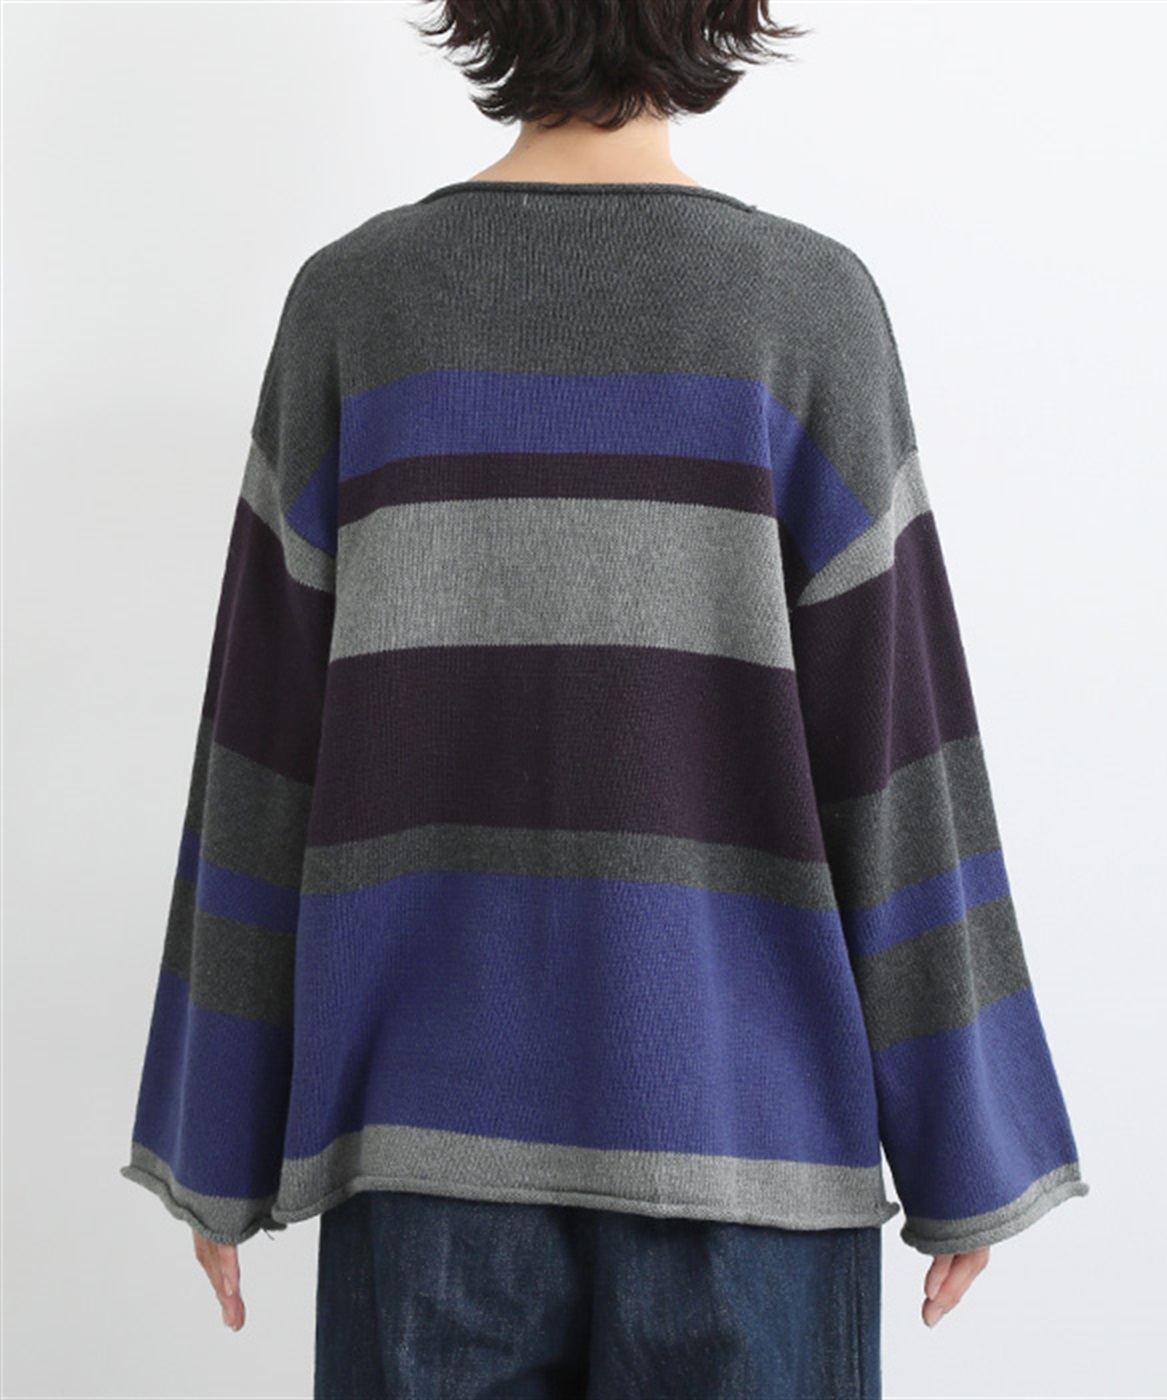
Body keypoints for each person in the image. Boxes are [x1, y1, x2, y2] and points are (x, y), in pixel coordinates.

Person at [120, 2, 1090, 1395]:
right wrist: (968, 1145)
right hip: (744, 1153)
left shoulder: (354, 303)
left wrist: (213, 1135)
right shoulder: (803, 305)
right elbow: (895, 749)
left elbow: (260, 749)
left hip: (424, 1153)